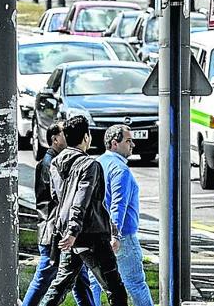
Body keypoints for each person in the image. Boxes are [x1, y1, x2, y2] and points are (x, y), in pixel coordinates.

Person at [40, 115, 128, 306]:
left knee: (59, 287)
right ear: (87, 137)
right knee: (116, 290)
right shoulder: (91, 165)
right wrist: (74, 230)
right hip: (91, 234)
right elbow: (82, 199)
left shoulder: (55, 163)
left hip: (68, 234)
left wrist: (71, 232)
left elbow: (58, 197)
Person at [22, 121, 95, 306]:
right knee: (45, 276)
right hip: (54, 231)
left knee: (80, 280)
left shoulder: (57, 161)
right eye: (65, 134)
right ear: (55, 139)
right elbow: (58, 200)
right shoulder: (51, 164)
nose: (69, 137)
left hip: (60, 230)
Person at [89, 125, 154, 306]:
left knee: (95, 282)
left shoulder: (97, 164)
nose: (132, 144)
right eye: (128, 141)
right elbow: (118, 205)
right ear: (114, 144)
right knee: (135, 283)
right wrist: (115, 235)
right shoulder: (120, 170)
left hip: (97, 233)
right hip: (122, 236)